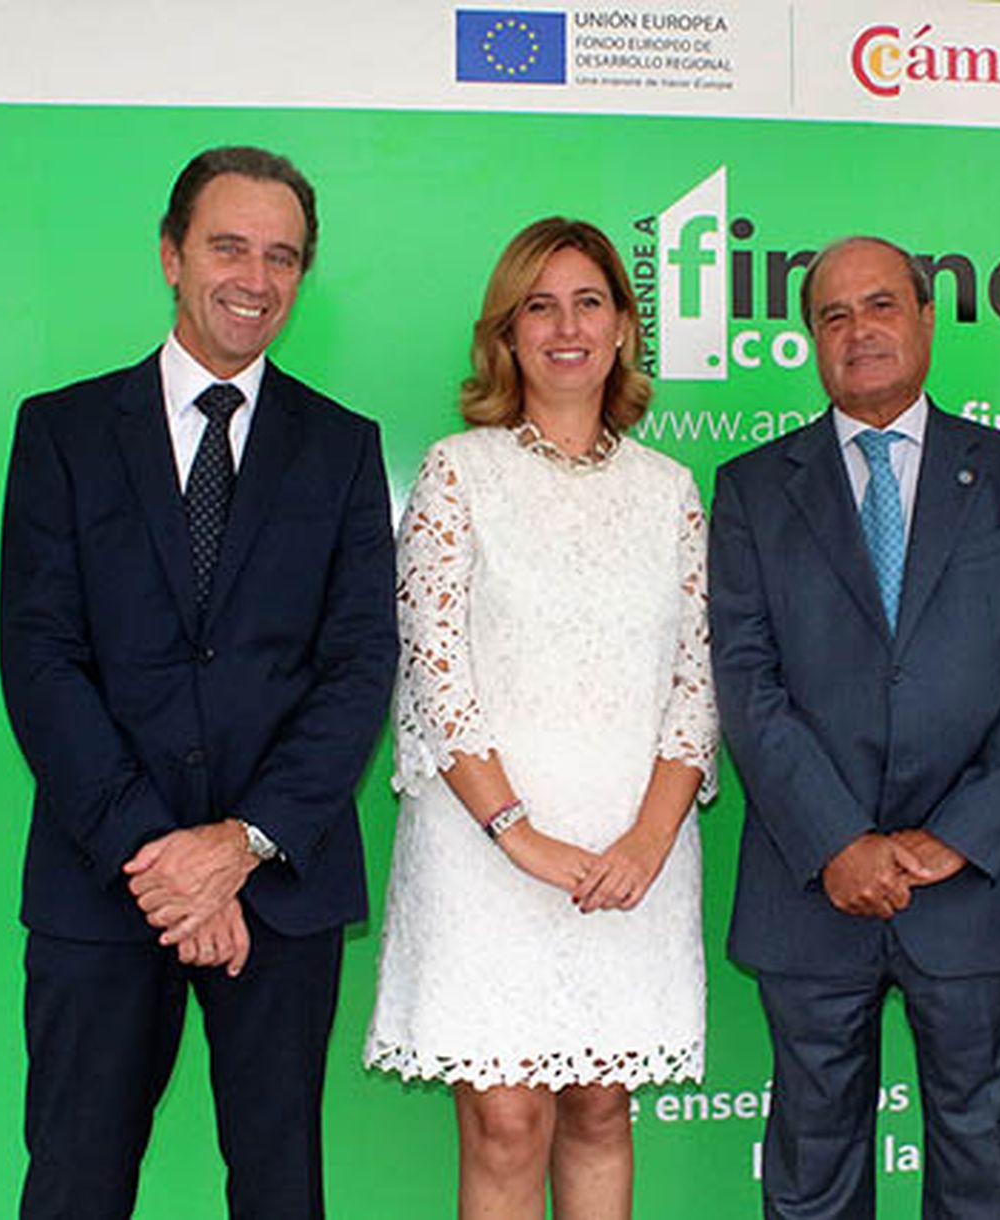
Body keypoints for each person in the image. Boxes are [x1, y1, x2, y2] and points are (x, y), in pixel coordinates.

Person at [0, 146, 398, 1219]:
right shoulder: (62, 432)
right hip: (99, 880)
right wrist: (164, 861)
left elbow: (359, 666)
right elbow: (40, 659)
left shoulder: (343, 449)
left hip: (280, 887)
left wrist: (239, 846)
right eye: (229, 247)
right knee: (75, 1186)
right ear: (172, 255)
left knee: (280, 1192)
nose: (255, 279)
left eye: (283, 256)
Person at [709, 236, 1000, 1218]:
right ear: (810, 340)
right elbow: (745, 680)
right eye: (832, 315)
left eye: (880, 305)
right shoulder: (752, 488)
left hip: (973, 884)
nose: (859, 331)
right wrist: (838, 840)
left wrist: (954, 836)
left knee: (984, 1158)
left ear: (924, 318)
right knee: (813, 1165)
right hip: (811, 880)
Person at [365, 217, 718, 1220]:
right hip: (486, 847)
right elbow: (437, 675)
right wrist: (520, 836)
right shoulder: (457, 471)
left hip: (633, 851)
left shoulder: (670, 491)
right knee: (507, 1118)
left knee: (602, 1104)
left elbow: (698, 681)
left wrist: (645, 841)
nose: (566, 327)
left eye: (588, 302)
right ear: (507, 334)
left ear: (623, 327)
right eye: (540, 306)